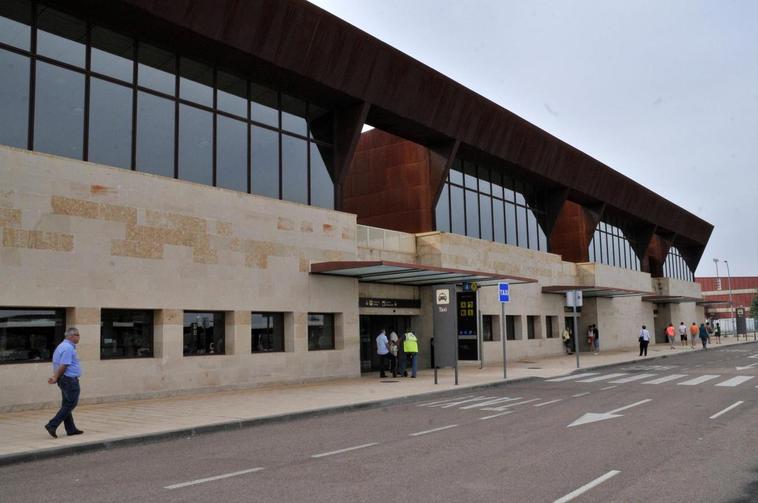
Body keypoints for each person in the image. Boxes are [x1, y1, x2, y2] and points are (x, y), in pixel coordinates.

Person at [45, 327, 84, 438]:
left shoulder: (62, 346)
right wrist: (55, 377)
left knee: (67, 404)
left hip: (65, 379)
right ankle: (52, 425)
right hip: (69, 380)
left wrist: (56, 377)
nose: (79, 336)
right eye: (77, 334)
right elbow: (64, 364)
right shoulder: (68, 348)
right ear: (71, 336)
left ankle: (71, 429)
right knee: (71, 403)